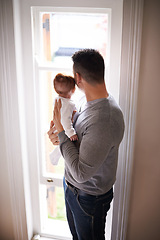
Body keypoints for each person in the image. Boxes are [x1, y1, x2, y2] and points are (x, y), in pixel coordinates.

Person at [48, 49, 125, 239]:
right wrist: (58, 135)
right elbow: (74, 139)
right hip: (72, 187)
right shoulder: (85, 101)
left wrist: (61, 132)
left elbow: (82, 173)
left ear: (77, 77)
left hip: (88, 198)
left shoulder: (103, 119)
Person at [49, 73, 78, 165]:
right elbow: (65, 120)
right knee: (63, 147)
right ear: (73, 90)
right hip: (63, 129)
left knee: (60, 147)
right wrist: (71, 133)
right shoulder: (69, 104)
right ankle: (53, 157)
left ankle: (54, 156)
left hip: (56, 128)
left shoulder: (57, 99)